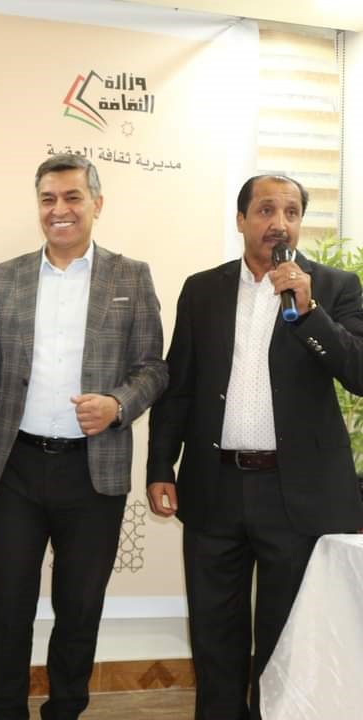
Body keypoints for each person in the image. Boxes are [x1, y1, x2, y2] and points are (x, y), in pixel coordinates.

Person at [0, 154, 168, 720]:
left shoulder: (131, 276)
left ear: (97, 203)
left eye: (72, 197)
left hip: (93, 470)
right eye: (48, 199)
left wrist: (118, 405)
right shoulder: (6, 277)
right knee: (7, 606)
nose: (60, 209)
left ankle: (65, 709)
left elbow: (153, 368)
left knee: (79, 607)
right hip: (16, 466)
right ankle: (5, 711)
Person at [147, 174, 363, 719]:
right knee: (214, 636)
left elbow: (359, 372)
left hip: (298, 495)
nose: (279, 223)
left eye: (291, 212)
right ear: (241, 219)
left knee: (286, 639)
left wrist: (310, 312)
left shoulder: (336, 287)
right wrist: (160, 465)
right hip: (215, 486)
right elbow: (180, 384)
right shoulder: (203, 289)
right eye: (266, 210)